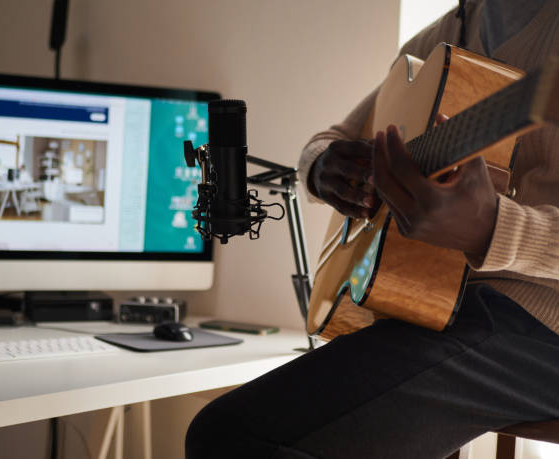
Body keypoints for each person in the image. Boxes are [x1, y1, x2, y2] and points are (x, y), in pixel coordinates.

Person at [185, 1, 559, 458]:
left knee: (227, 435)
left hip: (539, 327)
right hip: (436, 307)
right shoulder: (443, 35)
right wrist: (323, 168)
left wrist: (491, 228)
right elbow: (330, 138)